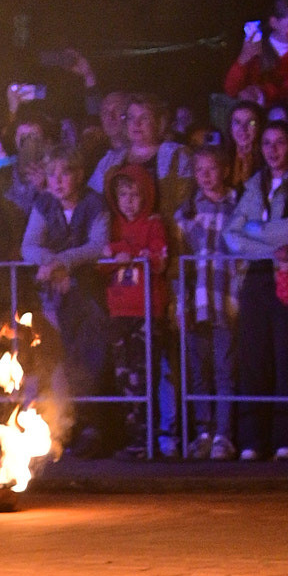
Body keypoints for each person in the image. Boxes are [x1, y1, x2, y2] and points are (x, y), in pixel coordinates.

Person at [230, 110, 288, 460]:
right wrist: (266, 239)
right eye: (267, 143)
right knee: (254, 358)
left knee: (286, 356)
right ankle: (252, 440)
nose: (273, 150)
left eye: (280, 143)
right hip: (258, 276)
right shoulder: (253, 186)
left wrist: (253, 231)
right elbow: (231, 234)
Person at [22, 151, 112, 440]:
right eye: (52, 176)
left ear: (79, 175)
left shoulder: (94, 203)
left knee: (86, 358)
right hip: (53, 293)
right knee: (55, 359)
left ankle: (91, 426)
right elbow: (29, 246)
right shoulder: (44, 202)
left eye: (65, 174)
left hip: (88, 292)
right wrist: (52, 264)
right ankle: (63, 428)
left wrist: (63, 263)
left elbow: (97, 245)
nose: (58, 182)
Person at [102, 159, 173, 455]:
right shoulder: (113, 225)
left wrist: (126, 253)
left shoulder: (154, 224)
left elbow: (159, 259)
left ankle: (151, 438)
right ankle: (133, 437)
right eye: (123, 196)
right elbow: (101, 260)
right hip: (119, 312)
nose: (129, 202)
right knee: (123, 376)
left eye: (134, 195)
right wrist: (121, 253)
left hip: (146, 311)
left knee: (145, 375)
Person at [175, 134, 240, 458]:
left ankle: (223, 436)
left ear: (225, 170)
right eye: (199, 170)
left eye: (212, 169)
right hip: (195, 301)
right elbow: (180, 262)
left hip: (225, 298)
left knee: (224, 369)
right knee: (199, 371)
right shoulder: (186, 212)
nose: (205, 175)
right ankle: (203, 431)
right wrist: (179, 301)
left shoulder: (238, 205)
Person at [225, 0, 288, 111]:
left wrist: (261, 93)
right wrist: (243, 59)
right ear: (274, 22)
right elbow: (231, 89)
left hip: (281, 113)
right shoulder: (255, 43)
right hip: (248, 111)